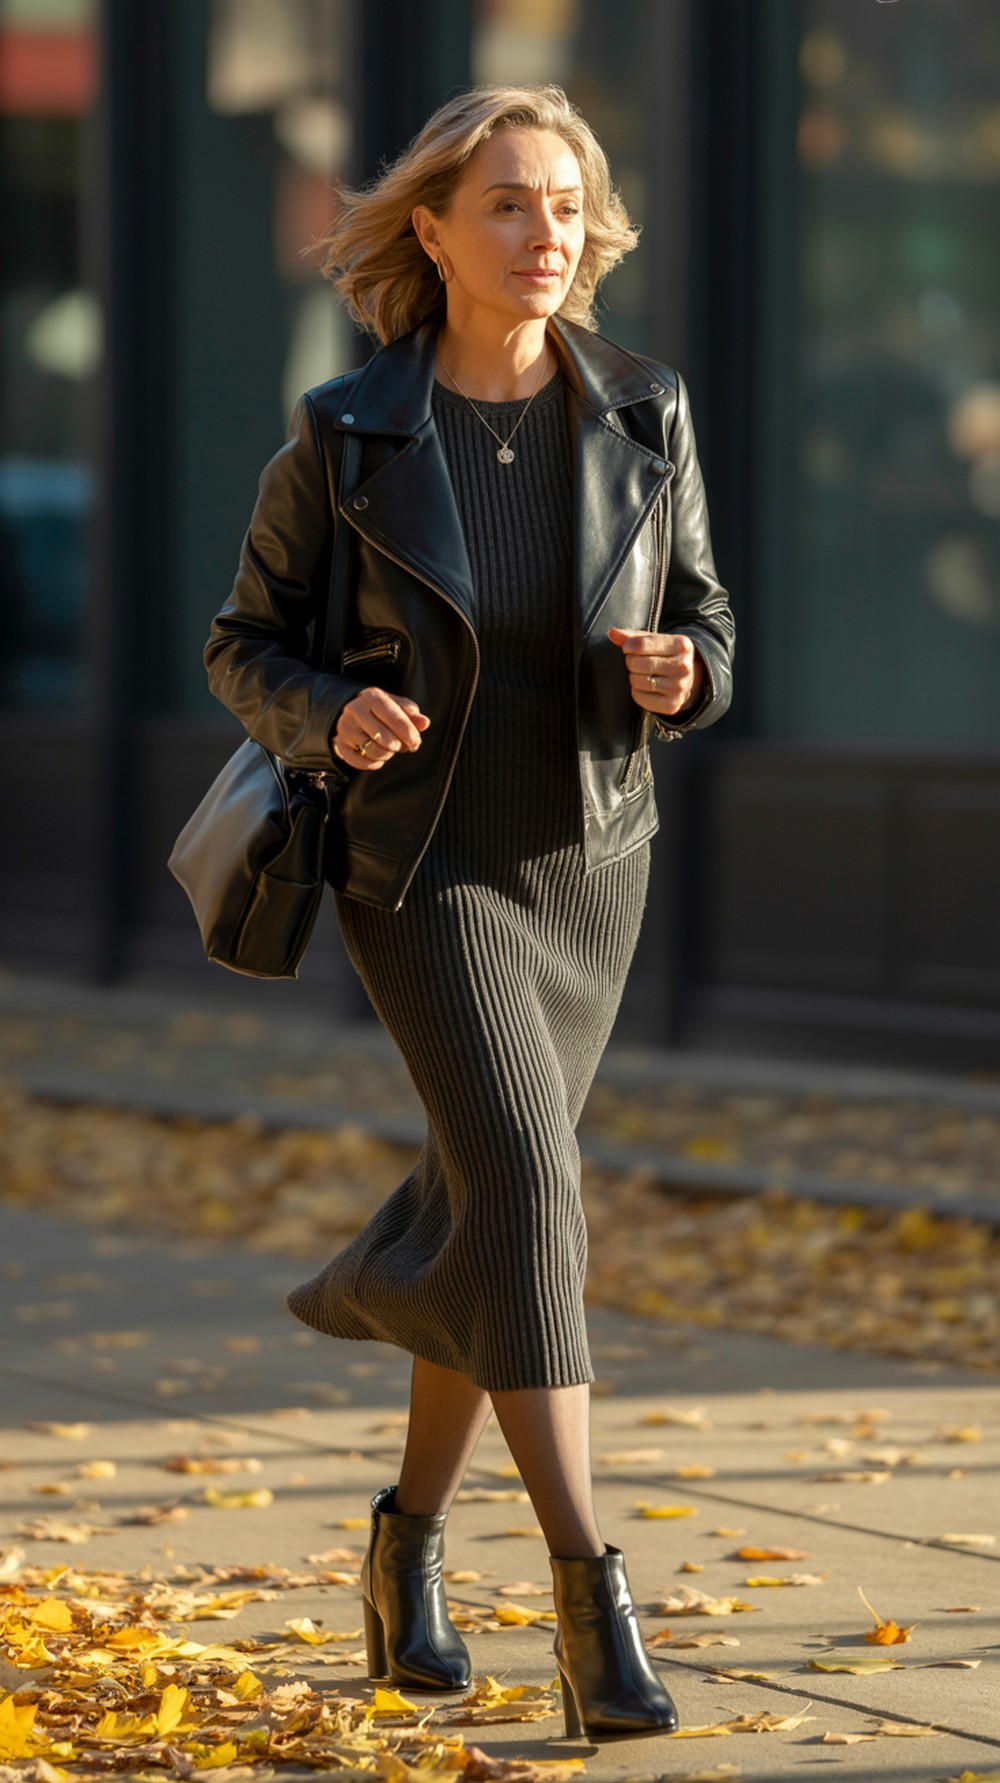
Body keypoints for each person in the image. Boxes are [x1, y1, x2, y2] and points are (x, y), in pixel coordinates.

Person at [204, 82, 735, 1742]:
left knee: (494, 1207)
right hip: (419, 869)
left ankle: (406, 1552)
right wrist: (327, 716)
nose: (546, 233)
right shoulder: (348, 427)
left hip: (591, 858)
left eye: (567, 204)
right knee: (523, 1176)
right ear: (431, 229)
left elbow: (709, 614)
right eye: (509, 203)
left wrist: (683, 669)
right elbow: (245, 640)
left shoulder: (646, 410)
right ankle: (594, 1608)